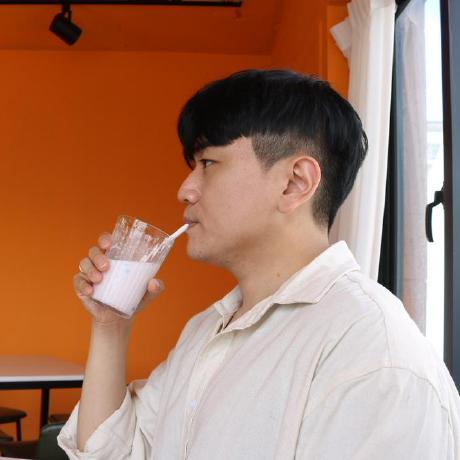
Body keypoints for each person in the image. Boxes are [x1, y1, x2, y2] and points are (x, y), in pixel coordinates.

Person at [58, 69, 460, 459]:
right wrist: (110, 326)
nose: (185, 190)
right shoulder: (205, 332)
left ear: (295, 182)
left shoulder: (373, 357)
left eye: (208, 163)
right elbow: (115, 453)